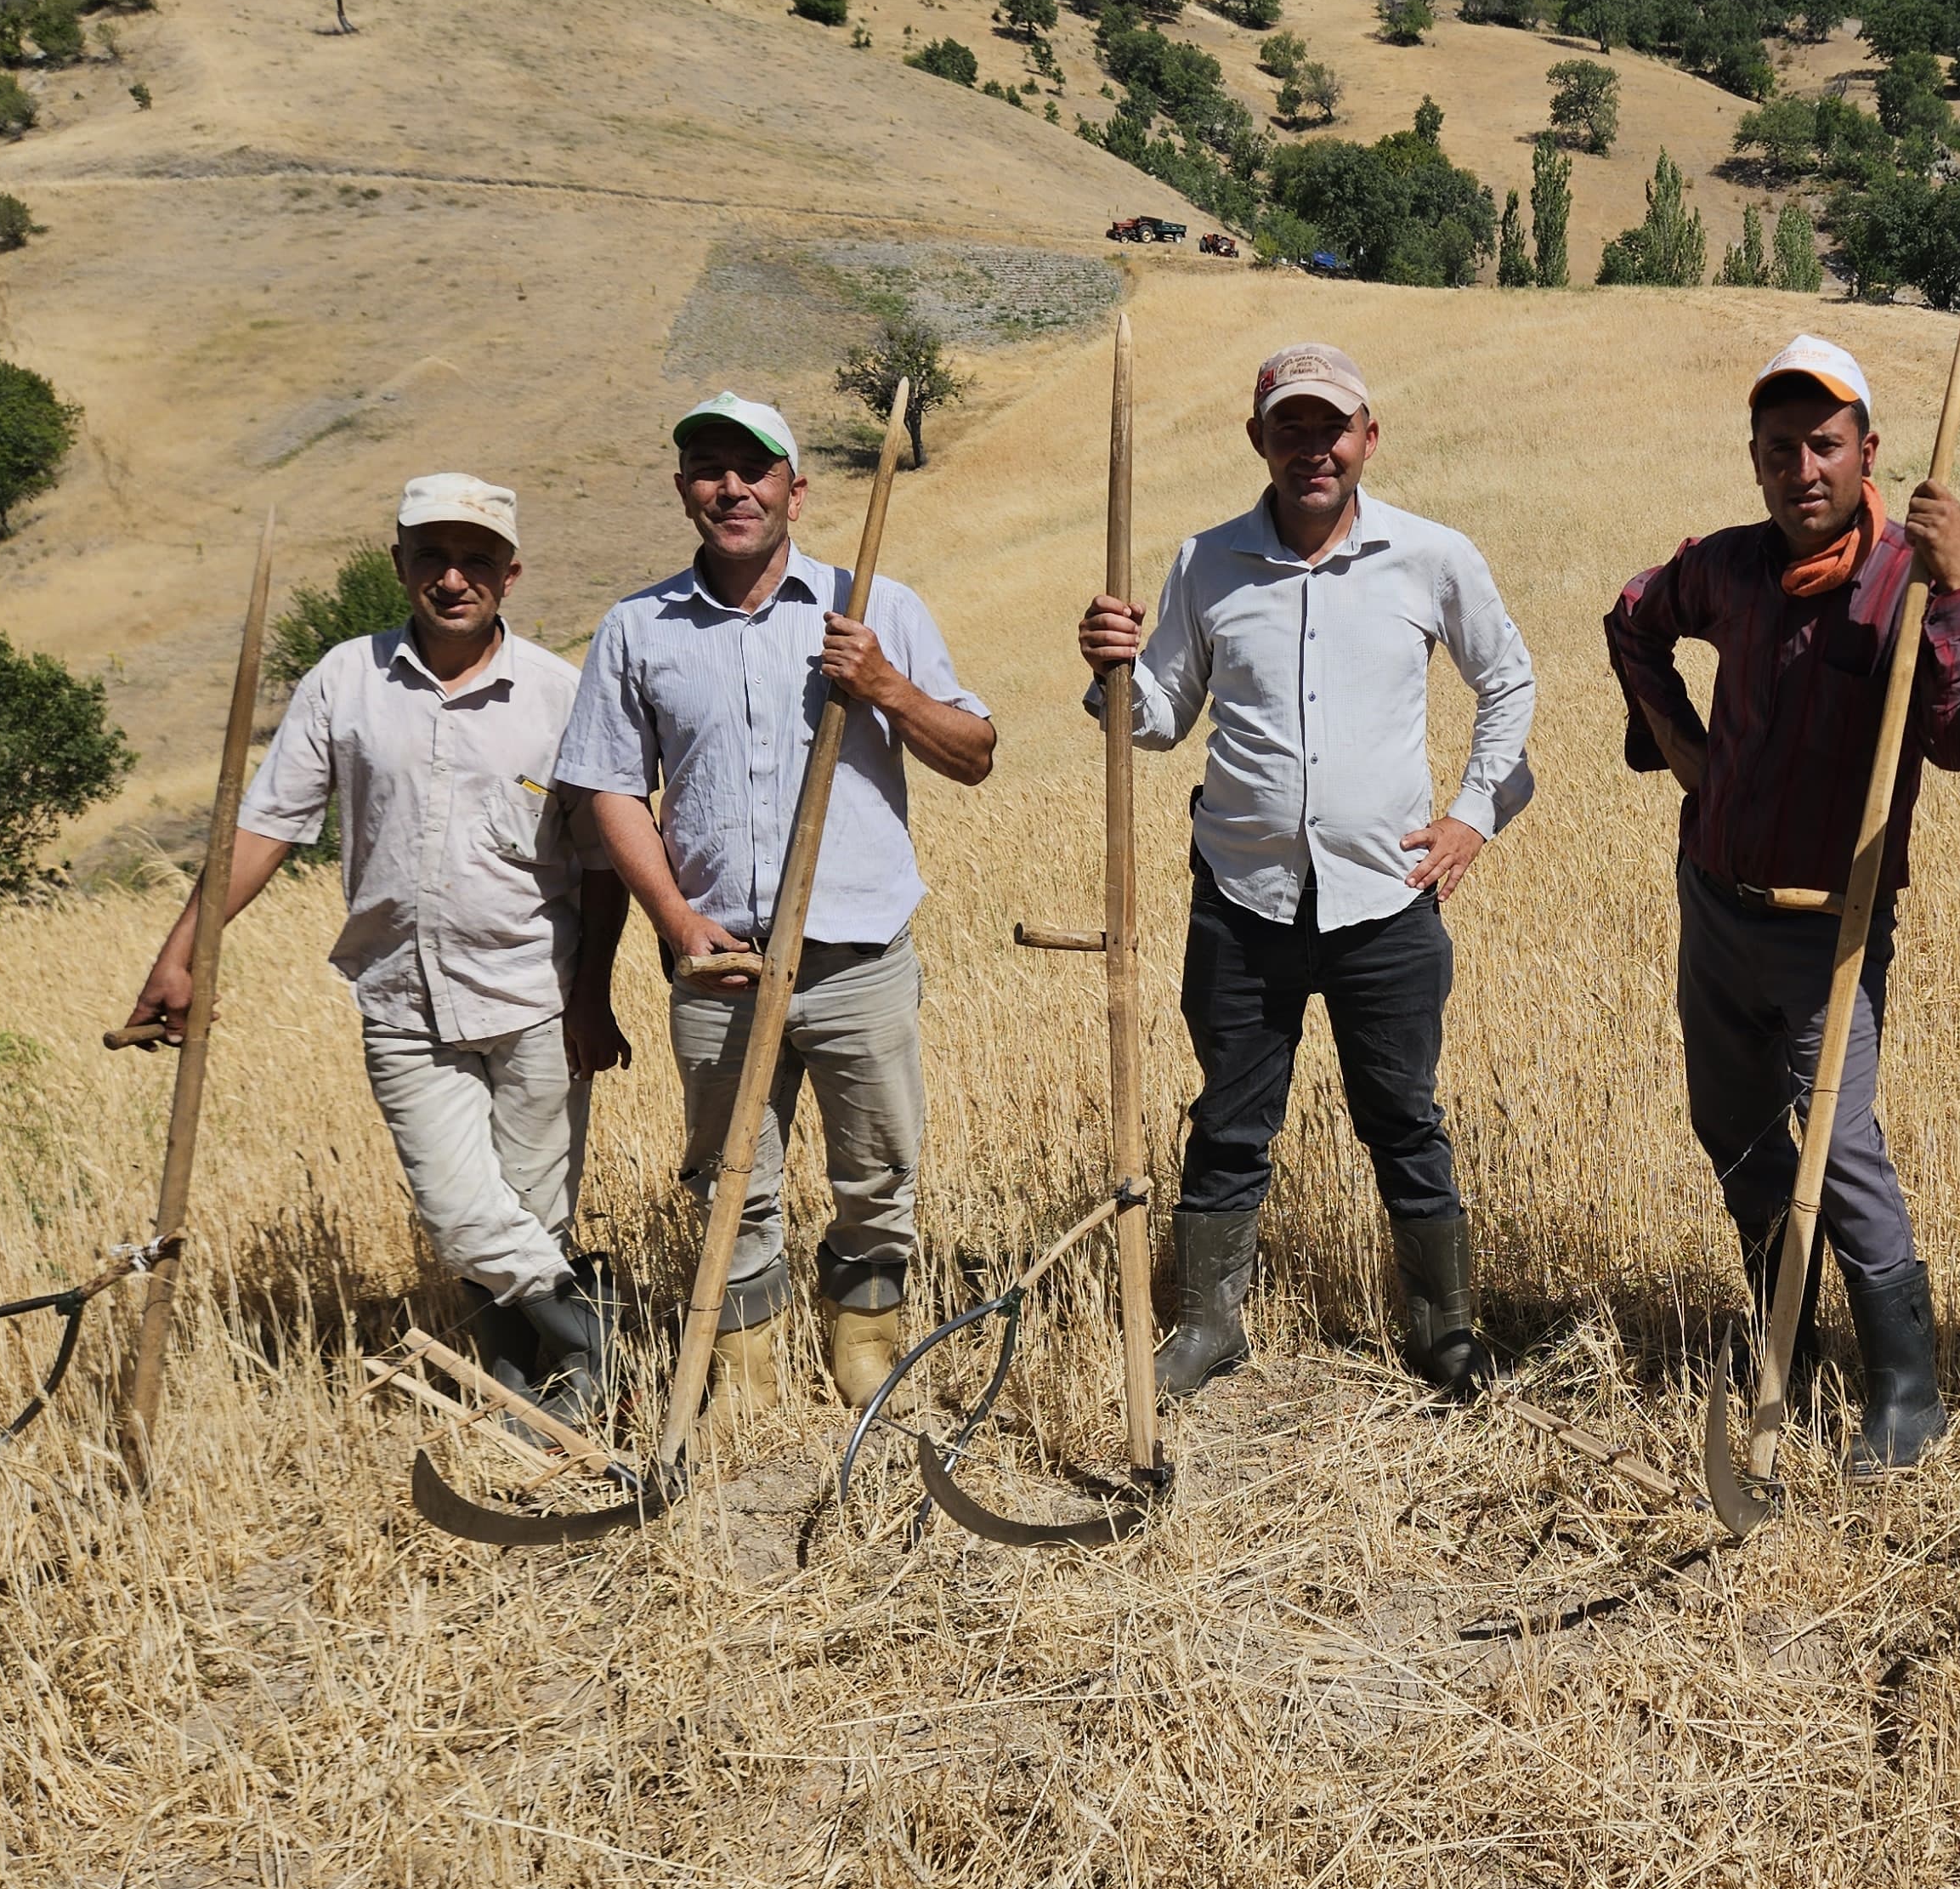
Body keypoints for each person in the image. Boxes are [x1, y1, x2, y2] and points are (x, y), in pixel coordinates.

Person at [1074, 343, 1535, 1402]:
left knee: (1404, 1120)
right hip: (1242, 901)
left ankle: (1442, 1331)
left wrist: (1470, 818)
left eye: (1332, 427)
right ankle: (1207, 1328)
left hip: (1386, 901)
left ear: (1368, 438)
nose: (1313, 448)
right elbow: (1156, 720)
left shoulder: (1431, 557)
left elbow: (1508, 682)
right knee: (1229, 1120)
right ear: (1259, 442)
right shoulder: (1206, 562)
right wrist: (1110, 675)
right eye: (1291, 427)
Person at [122, 476, 632, 1424]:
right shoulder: (344, 681)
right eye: (431, 557)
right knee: (460, 1216)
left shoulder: (563, 695)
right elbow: (265, 827)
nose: (452, 578)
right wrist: (181, 952)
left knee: (532, 1214)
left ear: (510, 575)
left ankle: (539, 1394)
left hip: (535, 994)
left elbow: (603, 861)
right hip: (401, 997)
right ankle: (598, 1333)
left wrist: (594, 993)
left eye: (476, 559)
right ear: (399, 564)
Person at [1604, 333, 1960, 1475]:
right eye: (1779, 450)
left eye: (1823, 445)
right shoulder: (1727, 568)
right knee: (1730, 1126)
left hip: (1834, 920)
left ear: (1867, 450)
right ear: (1756, 461)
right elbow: (1632, 616)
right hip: (1717, 900)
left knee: (1842, 1146)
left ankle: (1906, 1396)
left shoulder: (1907, 583)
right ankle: (1790, 1337)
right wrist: (1681, 748)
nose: (1802, 470)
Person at [556, 394, 997, 1414]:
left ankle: (866, 1348)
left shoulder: (875, 606)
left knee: (878, 1170)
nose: (732, 488)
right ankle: (746, 1372)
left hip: (857, 956)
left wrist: (884, 685)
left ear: (795, 490)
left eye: (754, 471)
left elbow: (973, 755)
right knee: (727, 1184)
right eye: (709, 470)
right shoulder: (637, 629)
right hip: (720, 964)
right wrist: (674, 921)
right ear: (683, 495)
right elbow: (610, 790)